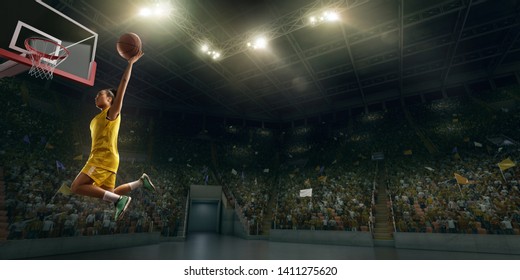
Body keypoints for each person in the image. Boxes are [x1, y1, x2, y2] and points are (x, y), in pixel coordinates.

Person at [70, 50, 155, 221]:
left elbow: (123, 85)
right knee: (109, 194)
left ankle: (120, 200)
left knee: (76, 187)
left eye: (99, 94)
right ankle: (139, 182)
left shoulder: (112, 112)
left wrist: (130, 63)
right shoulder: (97, 117)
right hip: (109, 159)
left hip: (101, 158)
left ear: (110, 99)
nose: (96, 96)